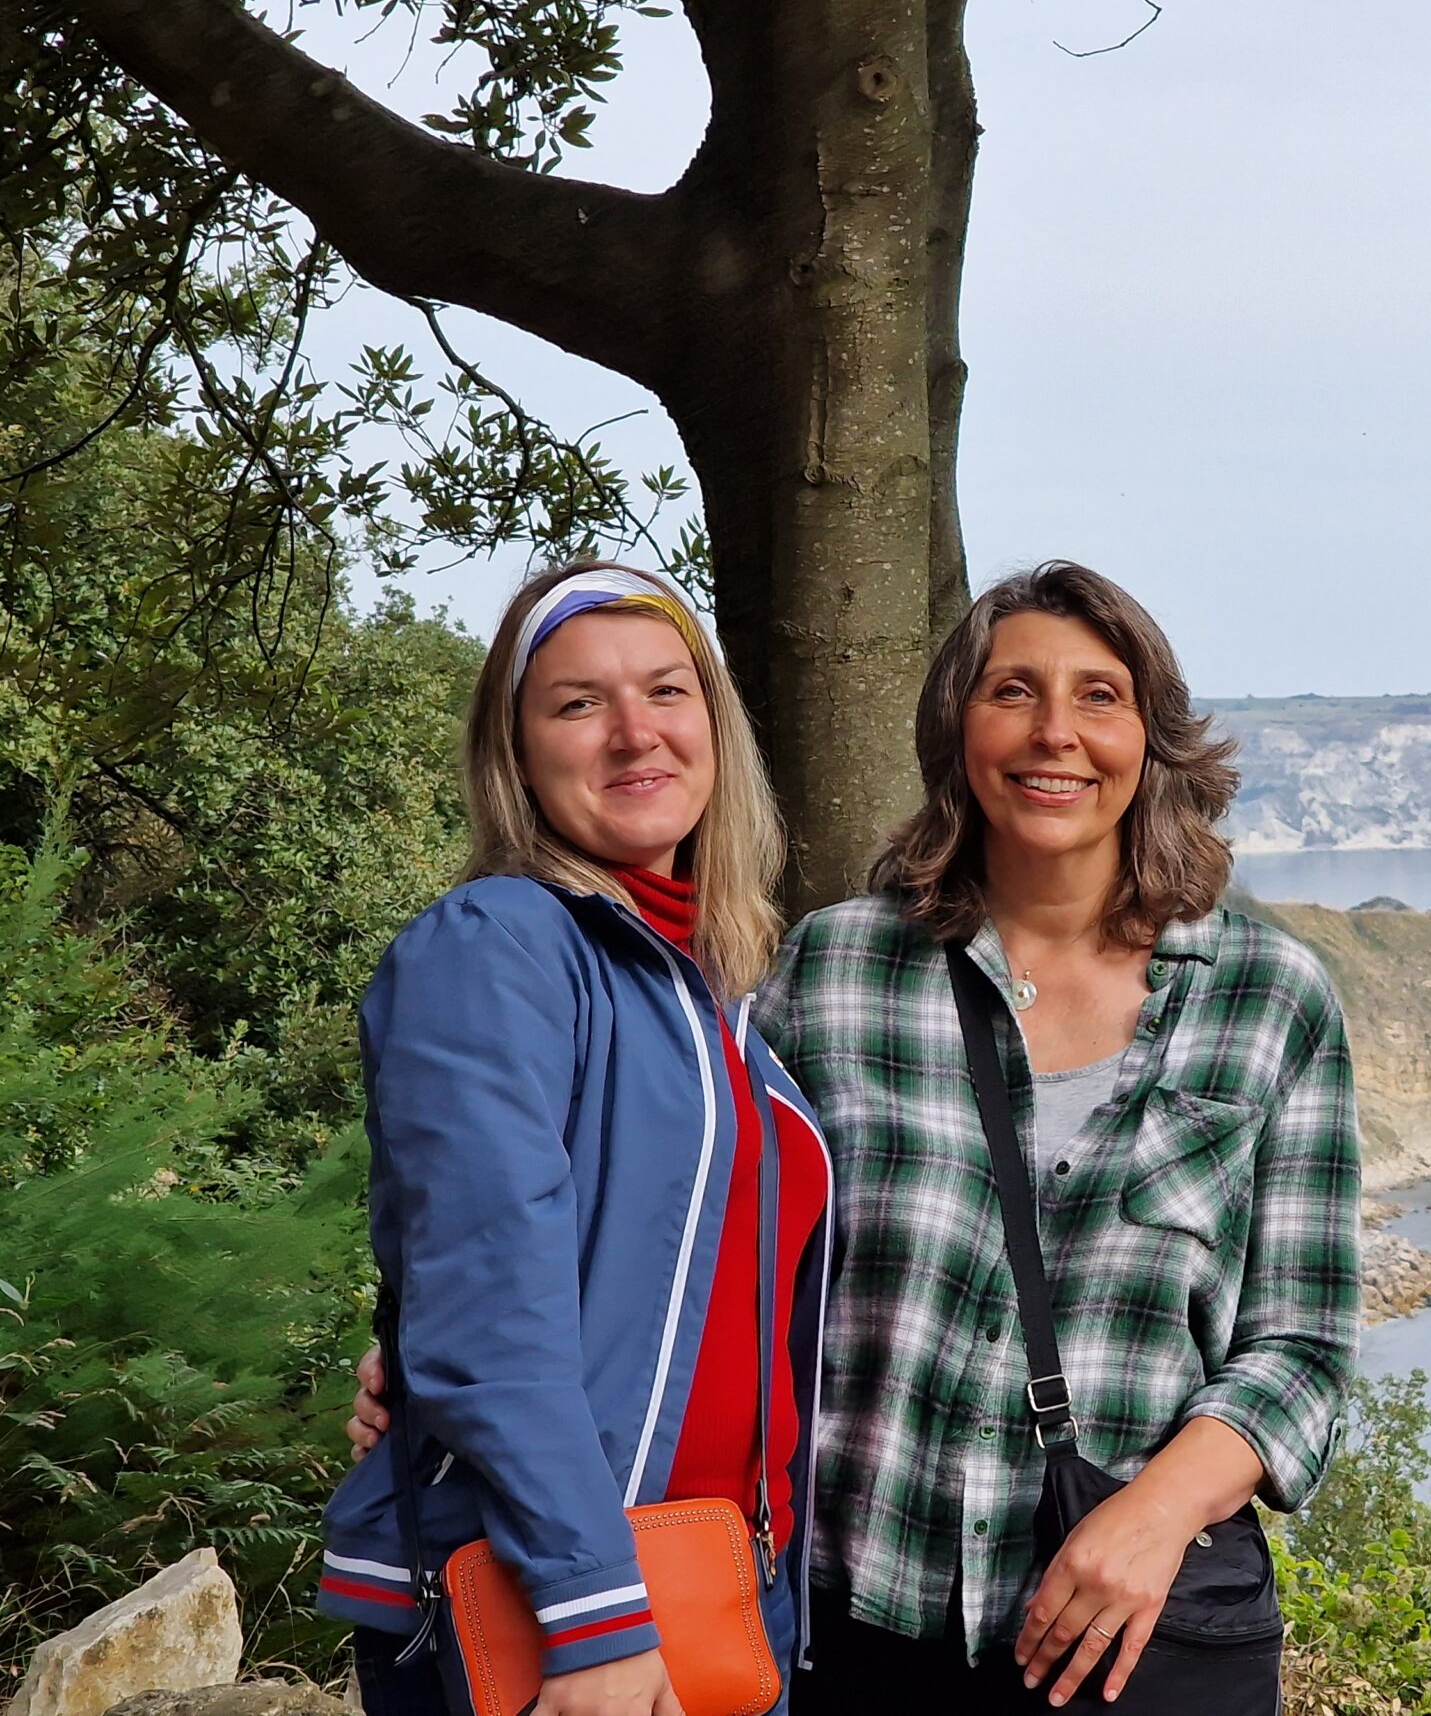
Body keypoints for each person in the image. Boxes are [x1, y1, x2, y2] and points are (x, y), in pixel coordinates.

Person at [354, 560, 1364, 1708]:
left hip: (1140, 1624)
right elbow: (700, 1207)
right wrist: (440, 1356)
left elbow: (1303, 1347)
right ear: (956, 729)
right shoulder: (835, 969)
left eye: (1100, 696)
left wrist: (1154, 1515)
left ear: (1152, 737)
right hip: (863, 1619)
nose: (1055, 733)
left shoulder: (1269, 997)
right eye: (1013, 691)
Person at [321, 563, 832, 1716]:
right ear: (517, 752)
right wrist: (590, 1609)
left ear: (714, 723)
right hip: (570, 1608)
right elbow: (486, 1307)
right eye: (578, 703)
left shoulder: (706, 988)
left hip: (723, 1582)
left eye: (666, 690)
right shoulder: (498, 943)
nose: (634, 732)